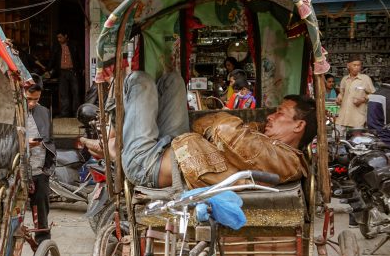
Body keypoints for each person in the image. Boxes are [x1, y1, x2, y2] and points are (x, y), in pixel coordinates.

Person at [81, 70, 315, 190]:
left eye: (280, 113)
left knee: (138, 80)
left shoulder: (287, 160)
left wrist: (221, 125)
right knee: (173, 80)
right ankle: (116, 144)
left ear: (299, 125)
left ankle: (114, 144)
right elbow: (214, 128)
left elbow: (224, 130)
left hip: (147, 165)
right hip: (179, 147)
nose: (271, 116)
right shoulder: (266, 140)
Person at [0, 75, 56, 256]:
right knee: (12, 224)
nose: (32, 104)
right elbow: (3, 143)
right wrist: (23, 145)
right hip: (16, 175)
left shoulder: (43, 112)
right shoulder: (11, 111)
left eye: (36, 99)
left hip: (39, 173)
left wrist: (47, 166)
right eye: (29, 99)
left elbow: (50, 140)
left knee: (42, 224)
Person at [336, 58, 375, 130]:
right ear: (348, 66)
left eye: (359, 65)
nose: (357, 67)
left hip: (357, 117)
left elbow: (374, 95)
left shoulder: (365, 79)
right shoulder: (345, 79)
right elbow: (341, 93)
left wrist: (362, 99)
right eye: (354, 65)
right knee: (337, 135)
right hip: (343, 116)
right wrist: (339, 98)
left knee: (357, 136)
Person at [51, 31, 82, 117]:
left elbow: (80, 56)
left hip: (73, 71)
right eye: (58, 38)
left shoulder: (74, 45)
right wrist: (48, 69)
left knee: (76, 92)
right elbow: (53, 58)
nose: (59, 39)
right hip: (62, 72)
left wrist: (82, 68)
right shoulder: (57, 47)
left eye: (60, 37)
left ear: (66, 36)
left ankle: (76, 113)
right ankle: (64, 113)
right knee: (63, 94)